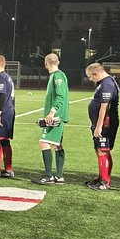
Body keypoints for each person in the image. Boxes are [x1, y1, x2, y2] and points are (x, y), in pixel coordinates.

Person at [35, 53, 70, 185]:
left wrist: (51, 112)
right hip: (58, 116)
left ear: (46, 63)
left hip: (55, 117)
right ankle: (59, 176)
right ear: (58, 62)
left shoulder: (57, 76)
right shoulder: (57, 75)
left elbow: (60, 96)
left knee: (43, 142)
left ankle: (49, 176)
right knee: (57, 144)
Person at [84, 63, 120, 191]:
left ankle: (105, 181)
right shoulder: (103, 83)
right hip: (101, 123)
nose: (90, 79)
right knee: (99, 149)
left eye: (90, 76)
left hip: (106, 123)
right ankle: (101, 178)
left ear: (96, 73)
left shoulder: (107, 84)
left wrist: (99, 126)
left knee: (103, 150)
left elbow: (104, 107)